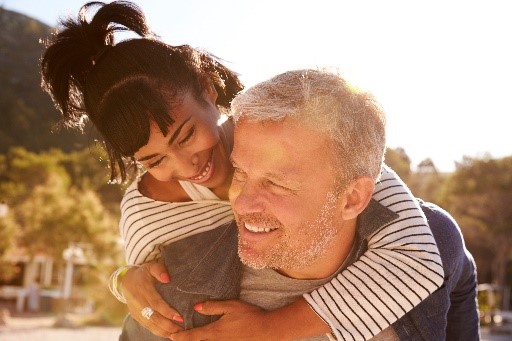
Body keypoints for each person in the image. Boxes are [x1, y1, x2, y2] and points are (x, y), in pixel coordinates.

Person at [40, 2, 444, 339]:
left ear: (208, 90)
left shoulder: (281, 135)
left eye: (185, 136)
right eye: (155, 160)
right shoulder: (148, 214)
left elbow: (421, 258)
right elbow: (151, 288)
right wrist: (123, 279)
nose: (186, 167)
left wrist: (272, 329)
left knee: (438, 226)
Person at [168, 69, 480, 340]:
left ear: (353, 198)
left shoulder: (432, 240)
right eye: (241, 172)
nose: (243, 202)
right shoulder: (177, 291)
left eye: (277, 183)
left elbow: (461, 277)